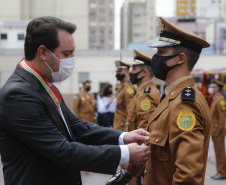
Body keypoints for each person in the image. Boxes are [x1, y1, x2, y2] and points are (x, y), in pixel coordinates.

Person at [0, 16, 151, 185]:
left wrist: (124, 137)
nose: (72, 59)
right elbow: (63, 151)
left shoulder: (44, 85)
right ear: (43, 52)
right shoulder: (18, 95)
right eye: (67, 53)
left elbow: (76, 127)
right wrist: (125, 153)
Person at [109, 17, 212, 185]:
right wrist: (129, 173)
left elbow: (188, 176)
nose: (155, 58)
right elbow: (151, 145)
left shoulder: (185, 104)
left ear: (181, 58)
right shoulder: (171, 97)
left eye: (161, 53)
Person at [126, 49, 161, 185]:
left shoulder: (147, 94)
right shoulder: (141, 92)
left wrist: (131, 167)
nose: (131, 73)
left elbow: (144, 133)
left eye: (134, 69)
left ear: (144, 72)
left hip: (139, 156)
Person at [209, 80, 226, 180]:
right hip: (214, 130)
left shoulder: (220, 100)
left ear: (217, 88)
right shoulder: (215, 99)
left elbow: (222, 117)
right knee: (217, 152)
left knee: (220, 153)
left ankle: (222, 173)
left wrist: (220, 131)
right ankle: (219, 171)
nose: (211, 88)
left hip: (218, 132)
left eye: (213, 87)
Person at [113, 61, 136, 131]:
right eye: (117, 72)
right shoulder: (122, 86)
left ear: (127, 72)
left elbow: (130, 110)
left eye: (120, 71)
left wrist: (128, 127)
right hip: (118, 124)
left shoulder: (128, 88)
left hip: (123, 127)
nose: (117, 74)